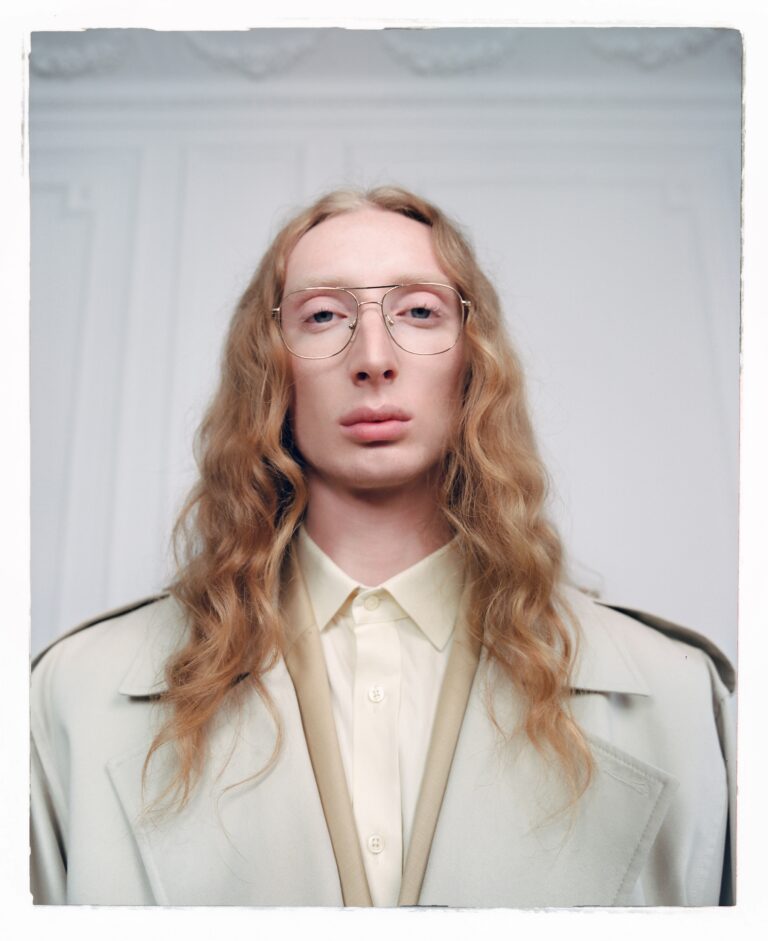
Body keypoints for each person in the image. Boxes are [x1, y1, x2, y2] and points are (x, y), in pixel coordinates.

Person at [30, 186, 735, 907]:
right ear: (268, 365)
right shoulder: (72, 696)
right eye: (323, 315)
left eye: (419, 312)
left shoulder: (682, 697)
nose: (373, 358)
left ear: (474, 358)